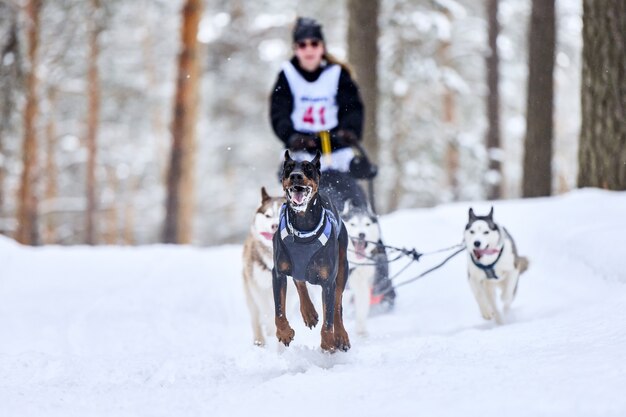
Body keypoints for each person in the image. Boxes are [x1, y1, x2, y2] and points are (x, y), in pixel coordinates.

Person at [269, 17, 395, 311]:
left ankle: (380, 287)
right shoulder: (287, 75)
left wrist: (348, 131)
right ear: (296, 48)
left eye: (314, 43)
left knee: (359, 216)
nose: (309, 49)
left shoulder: (338, 74)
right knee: (299, 221)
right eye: (303, 44)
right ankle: (299, 275)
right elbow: (279, 114)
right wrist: (292, 135)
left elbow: (353, 109)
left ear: (322, 47)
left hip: (336, 160)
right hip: (301, 165)